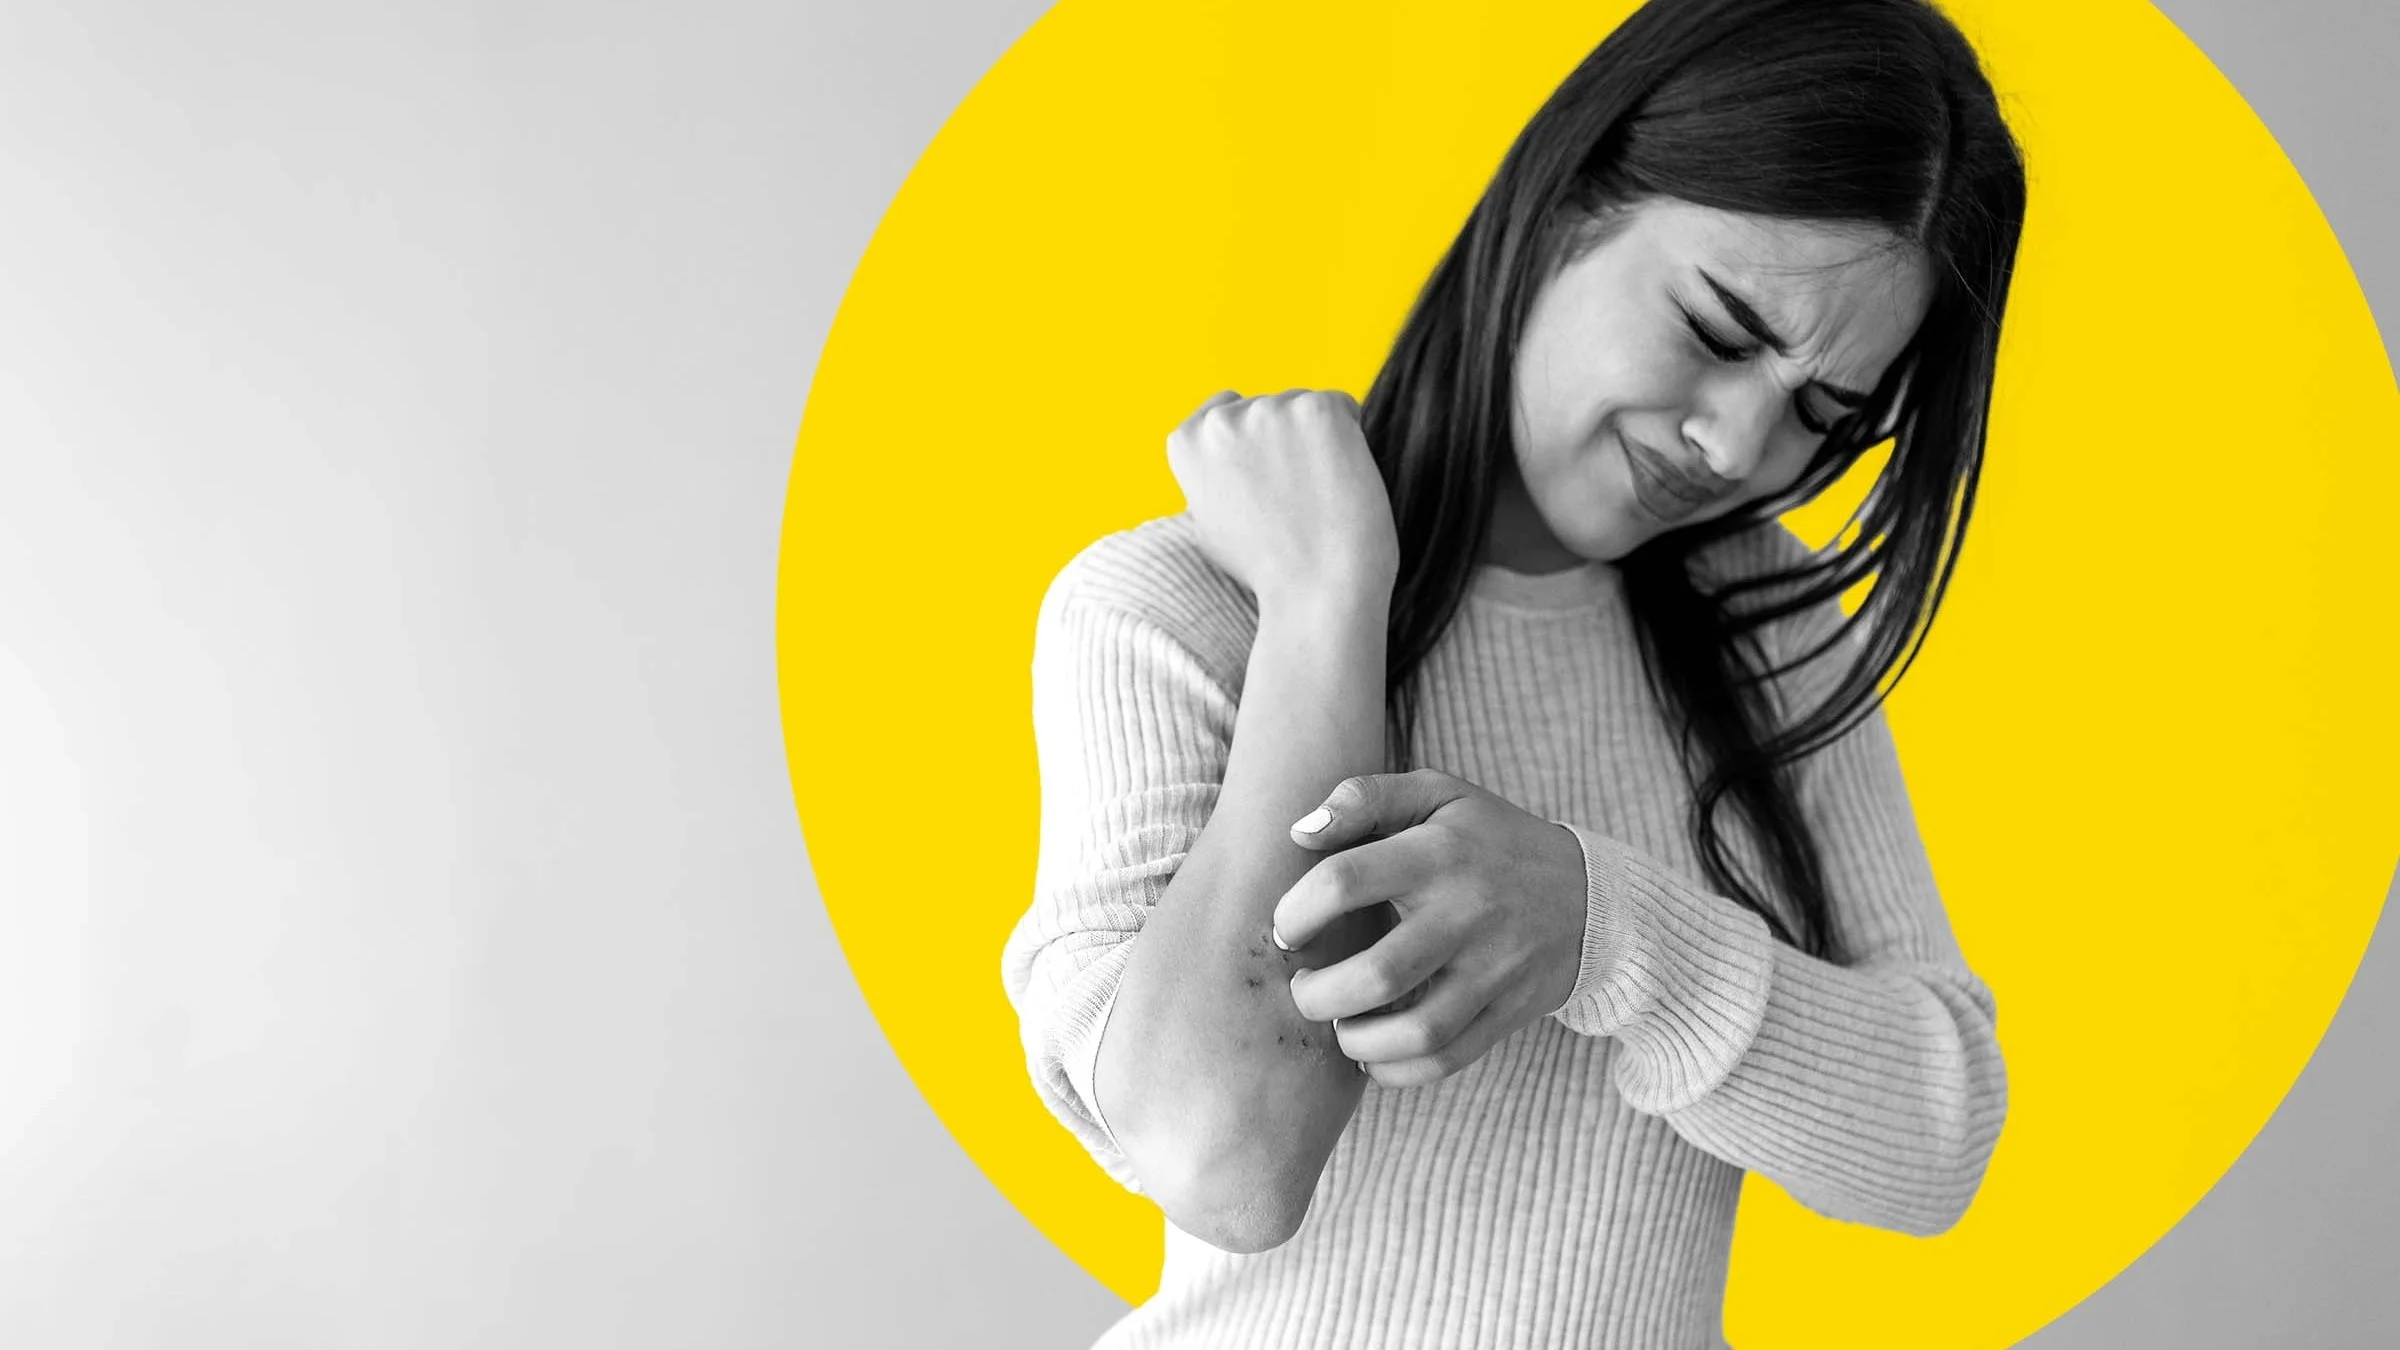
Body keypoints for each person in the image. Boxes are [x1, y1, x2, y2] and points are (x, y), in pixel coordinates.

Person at [1001, 0, 2027, 1344]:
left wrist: (1609, 930)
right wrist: (1328, 607)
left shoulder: (1769, 646)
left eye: (1821, 413)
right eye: (1720, 331)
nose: (1734, 445)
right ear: (1563, 201)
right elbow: (1228, 1159)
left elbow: (1933, 1135)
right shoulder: (1180, 609)